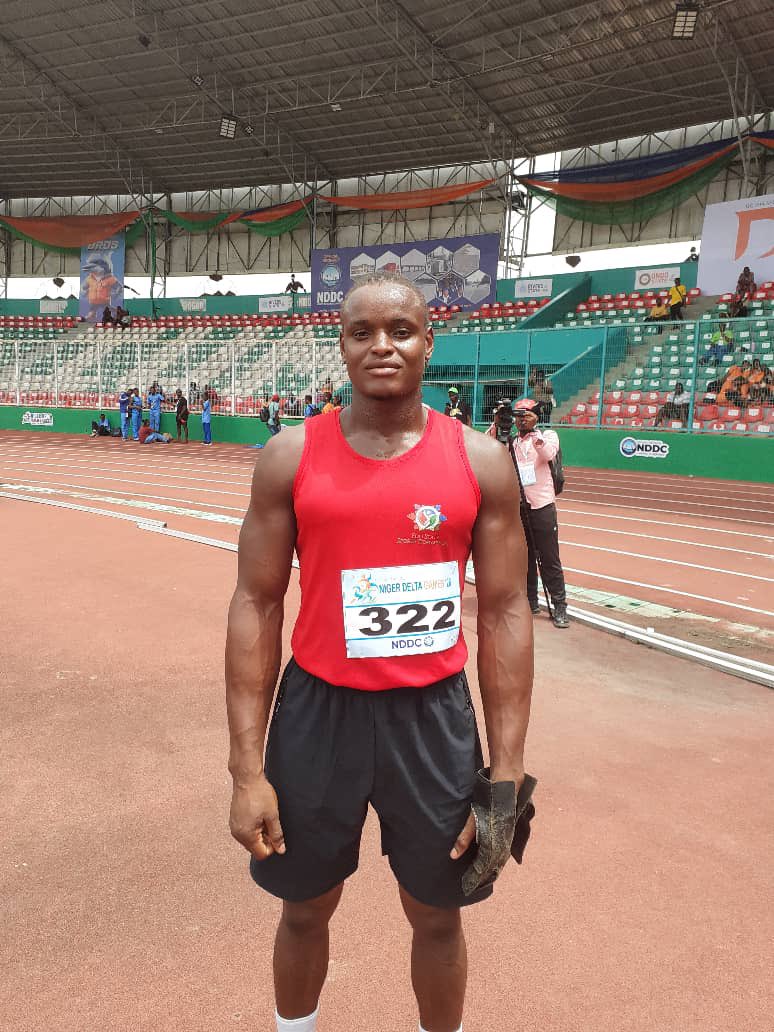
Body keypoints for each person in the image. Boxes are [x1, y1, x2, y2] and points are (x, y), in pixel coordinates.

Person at [225, 273, 535, 1032]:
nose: (382, 345)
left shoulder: (481, 461)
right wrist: (246, 770)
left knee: (438, 916)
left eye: (401, 329)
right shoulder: (289, 457)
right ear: (342, 345)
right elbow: (256, 604)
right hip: (317, 713)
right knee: (304, 908)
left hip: (431, 719)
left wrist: (506, 774)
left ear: (429, 341)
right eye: (362, 332)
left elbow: (503, 612)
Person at [509, 398, 569, 629]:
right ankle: (530, 600)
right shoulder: (510, 440)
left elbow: (548, 454)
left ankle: (559, 605)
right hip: (520, 508)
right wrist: (498, 425)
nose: (521, 420)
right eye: (518, 416)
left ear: (537, 417)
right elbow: (489, 447)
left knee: (549, 558)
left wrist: (535, 436)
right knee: (525, 559)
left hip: (542, 506)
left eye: (526, 415)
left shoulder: (548, 436)